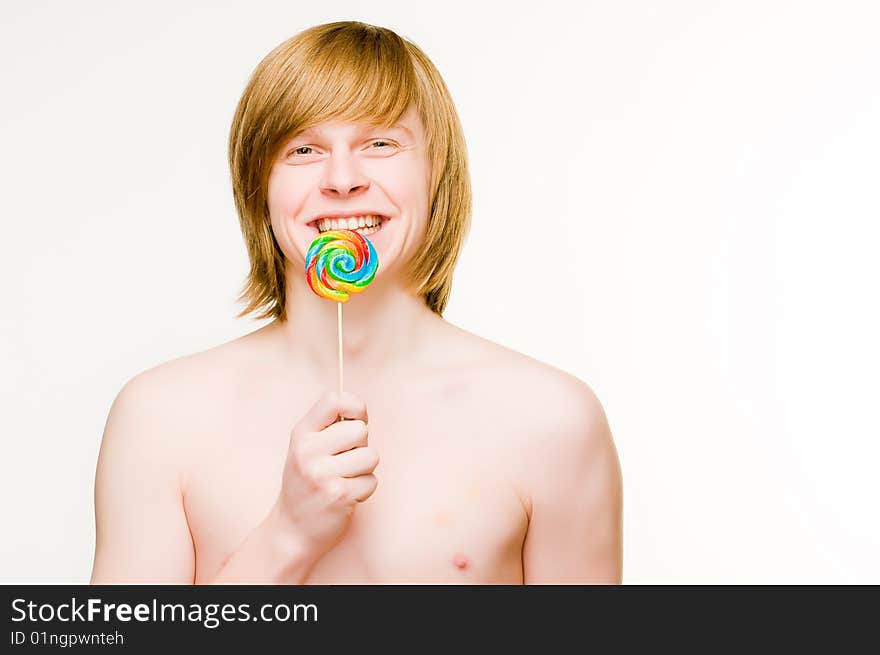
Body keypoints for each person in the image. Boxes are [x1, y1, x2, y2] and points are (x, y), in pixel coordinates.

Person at [89, 20, 623, 584]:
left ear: (436, 172)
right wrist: (286, 536)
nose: (342, 179)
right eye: (303, 148)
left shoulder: (551, 418)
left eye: (381, 143)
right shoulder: (159, 417)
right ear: (259, 186)